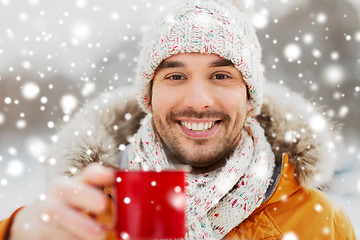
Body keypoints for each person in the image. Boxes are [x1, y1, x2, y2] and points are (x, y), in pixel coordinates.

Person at [0, 0, 356, 239]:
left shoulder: (321, 221)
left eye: (221, 76)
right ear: (148, 98)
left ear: (250, 100)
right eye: (175, 76)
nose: (198, 101)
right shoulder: (83, 218)